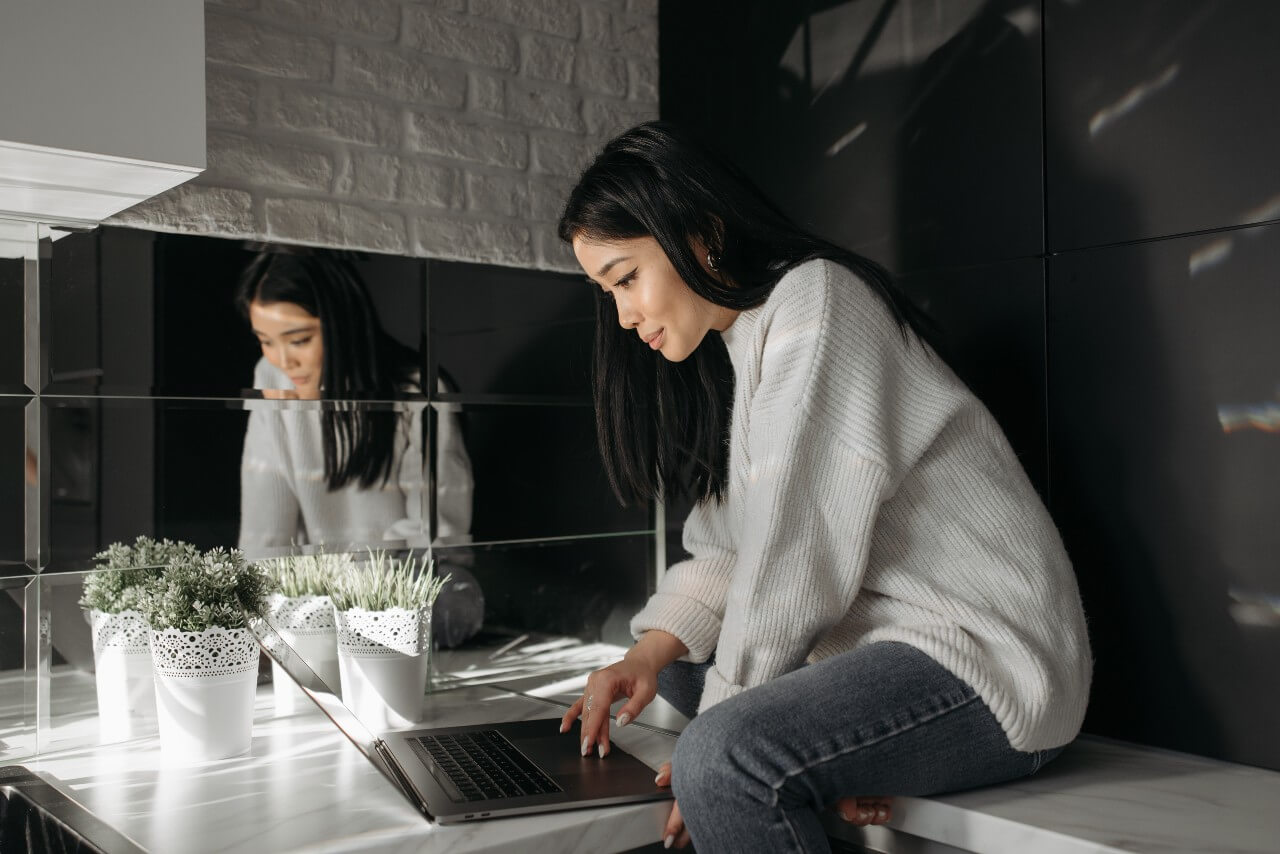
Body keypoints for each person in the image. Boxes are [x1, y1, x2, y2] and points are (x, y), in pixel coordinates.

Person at [555, 122, 1092, 852]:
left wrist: (729, 733)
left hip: (985, 658)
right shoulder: (735, 349)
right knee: (680, 671)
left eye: (626, 279)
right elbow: (726, 554)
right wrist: (641, 658)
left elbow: (791, 557)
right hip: (882, 644)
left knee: (722, 756)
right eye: (607, 292)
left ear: (701, 235)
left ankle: (804, 758)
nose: (623, 316)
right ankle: (826, 758)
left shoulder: (816, 302)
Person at [235, 249, 482, 647]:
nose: (284, 361)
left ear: (340, 325)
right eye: (265, 341)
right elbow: (264, 535)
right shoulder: (272, 379)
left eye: (299, 340)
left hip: (407, 598)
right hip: (314, 606)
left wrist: (373, 608)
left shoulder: (418, 390)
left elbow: (437, 544)